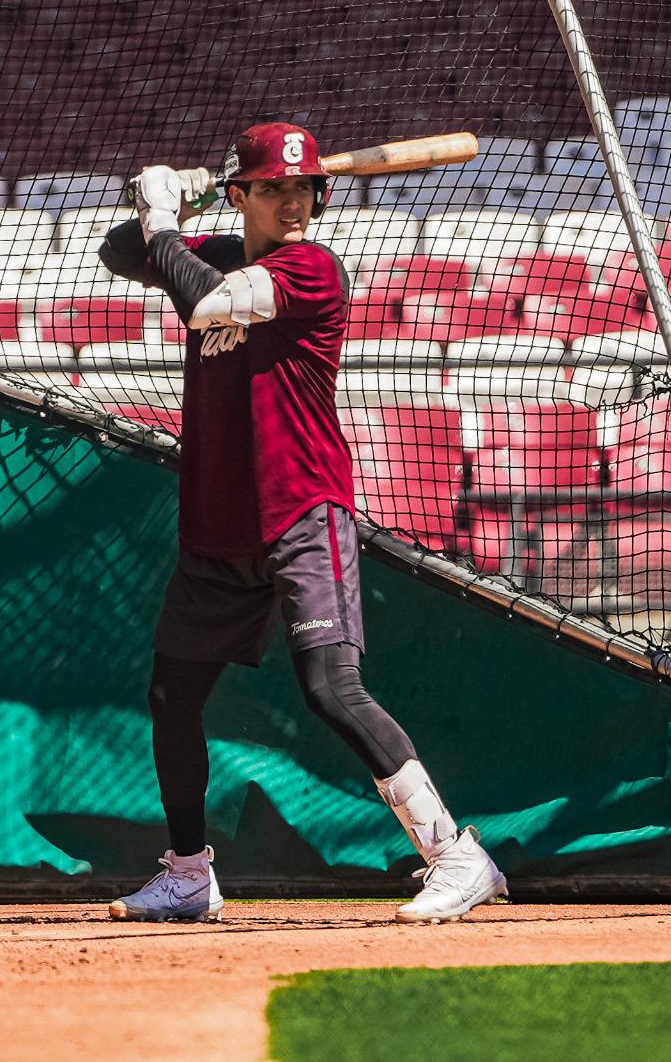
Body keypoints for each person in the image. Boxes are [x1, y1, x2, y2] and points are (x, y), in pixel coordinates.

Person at [97, 122, 506, 924]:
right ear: (245, 193)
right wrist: (175, 198)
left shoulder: (311, 267)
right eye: (276, 188)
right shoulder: (212, 251)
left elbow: (202, 304)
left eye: (305, 189)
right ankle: (188, 875)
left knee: (331, 688)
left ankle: (457, 855)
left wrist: (163, 218)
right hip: (218, 524)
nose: (296, 201)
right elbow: (120, 254)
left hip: (300, 509)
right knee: (171, 696)